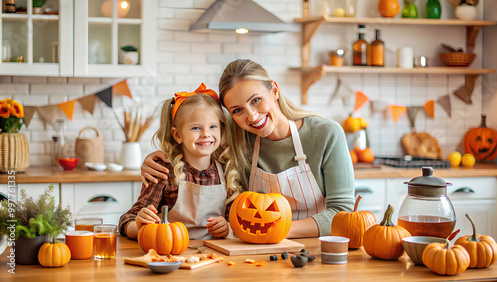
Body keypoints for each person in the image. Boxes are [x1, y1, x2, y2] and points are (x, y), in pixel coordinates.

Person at [140, 59, 355, 238]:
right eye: (237, 110)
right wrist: (156, 159)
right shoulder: (239, 139)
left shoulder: (326, 133)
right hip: (256, 249)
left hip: (316, 250)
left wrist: (273, 230)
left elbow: (341, 215)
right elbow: (195, 149)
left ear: (275, 90)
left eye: (256, 100)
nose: (251, 116)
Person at [119, 83, 242, 240]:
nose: (206, 134)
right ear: (177, 135)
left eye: (212, 126)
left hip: (214, 257)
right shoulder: (163, 172)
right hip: (171, 252)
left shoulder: (227, 172)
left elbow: (239, 224)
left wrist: (227, 227)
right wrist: (139, 226)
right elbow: (127, 219)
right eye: (196, 128)